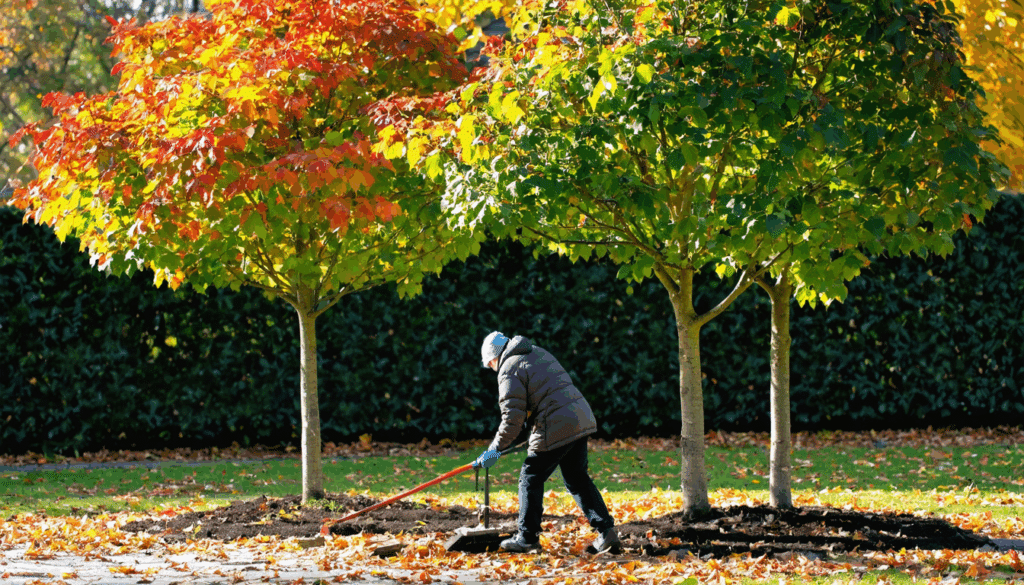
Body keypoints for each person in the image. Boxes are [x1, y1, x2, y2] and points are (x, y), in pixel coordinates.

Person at [473, 331, 621, 554]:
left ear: (493, 358)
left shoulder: (508, 369)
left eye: (490, 365)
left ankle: (527, 538)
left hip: (556, 423)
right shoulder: (536, 352)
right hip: (579, 417)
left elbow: (512, 419)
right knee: (576, 477)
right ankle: (607, 532)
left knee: (530, 476)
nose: (492, 369)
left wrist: (494, 450)